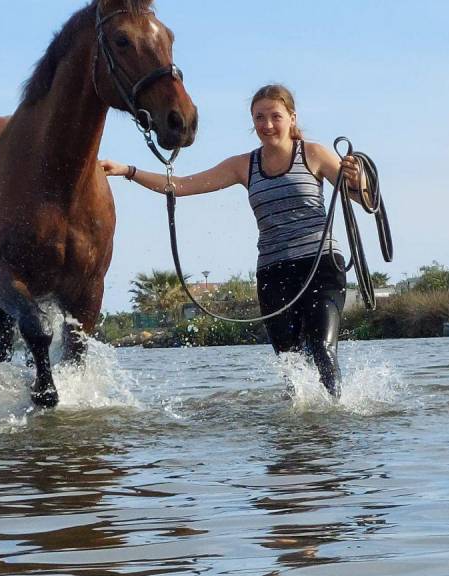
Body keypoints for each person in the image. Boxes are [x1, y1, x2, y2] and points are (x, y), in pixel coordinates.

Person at [101, 83, 370, 397]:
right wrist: (128, 170)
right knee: (292, 365)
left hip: (321, 268)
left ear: (292, 118)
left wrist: (358, 176)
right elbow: (183, 186)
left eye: (275, 116)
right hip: (274, 274)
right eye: (259, 117)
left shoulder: (314, 154)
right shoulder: (244, 165)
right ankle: (297, 437)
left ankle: (333, 428)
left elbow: (362, 200)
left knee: (323, 351)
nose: (267, 125)